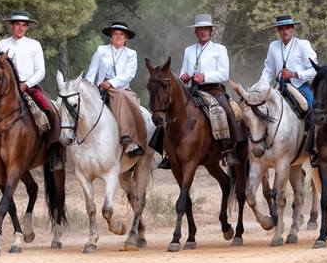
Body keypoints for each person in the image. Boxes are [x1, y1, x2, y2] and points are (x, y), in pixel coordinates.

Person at [0, 10, 63, 175]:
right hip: (5, 91)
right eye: (18, 24)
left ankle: (54, 152)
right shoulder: (2, 44)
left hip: (29, 87)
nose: (21, 28)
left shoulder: (34, 45)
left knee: (50, 111)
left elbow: (41, 71)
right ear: (11, 25)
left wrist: (26, 84)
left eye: (24, 25)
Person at [156, 13, 244, 169]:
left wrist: (205, 76)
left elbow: (224, 74)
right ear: (195, 32)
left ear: (211, 31)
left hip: (214, 89)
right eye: (200, 29)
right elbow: (184, 71)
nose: (203, 32)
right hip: (192, 89)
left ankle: (229, 149)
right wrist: (183, 77)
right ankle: (168, 152)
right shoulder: (189, 50)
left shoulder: (219, 49)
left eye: (206, 29)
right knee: (169, 110)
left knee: (226, 110)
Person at [253, 14, 318, 154]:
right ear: (278, 30)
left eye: (287, 28)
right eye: (281, 29)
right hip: (280, 87)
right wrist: (260, 87)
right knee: (260, 109)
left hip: (300, 87)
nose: (284, 31)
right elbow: (268, 70)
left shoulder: (303, 45)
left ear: (293, 28)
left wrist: (295, 74)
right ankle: (261, 142)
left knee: (311, 104)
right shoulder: (273, 46)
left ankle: (314, 143)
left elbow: (314, 70)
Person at [84, 21, 145, 157]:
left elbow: (129, 74)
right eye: (115, 34)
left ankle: (128, 136)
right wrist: (87, 86)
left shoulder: (131, 54)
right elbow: (91, 72)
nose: (118, 36)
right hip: (101, 86)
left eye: (121, 34)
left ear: (126, 38)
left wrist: (111, 83)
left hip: (121, 88)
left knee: (122, 96)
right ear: (111, 37)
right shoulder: (101, 50)